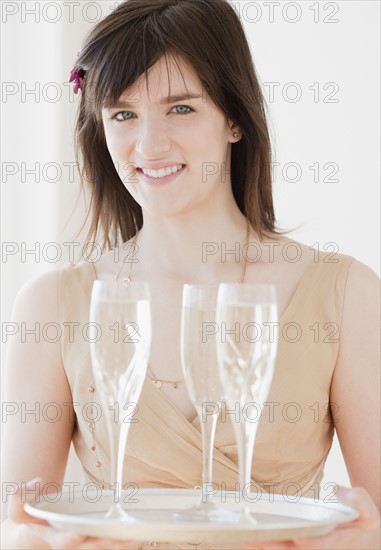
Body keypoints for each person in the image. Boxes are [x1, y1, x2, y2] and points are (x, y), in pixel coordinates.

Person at [1, 0, 380, 549]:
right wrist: (30, 541)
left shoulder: (346, 296)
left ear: (233, 116)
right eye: (123, 114)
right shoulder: (52, 304)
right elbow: (18, 524)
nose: (149, 146)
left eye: (180, 109)